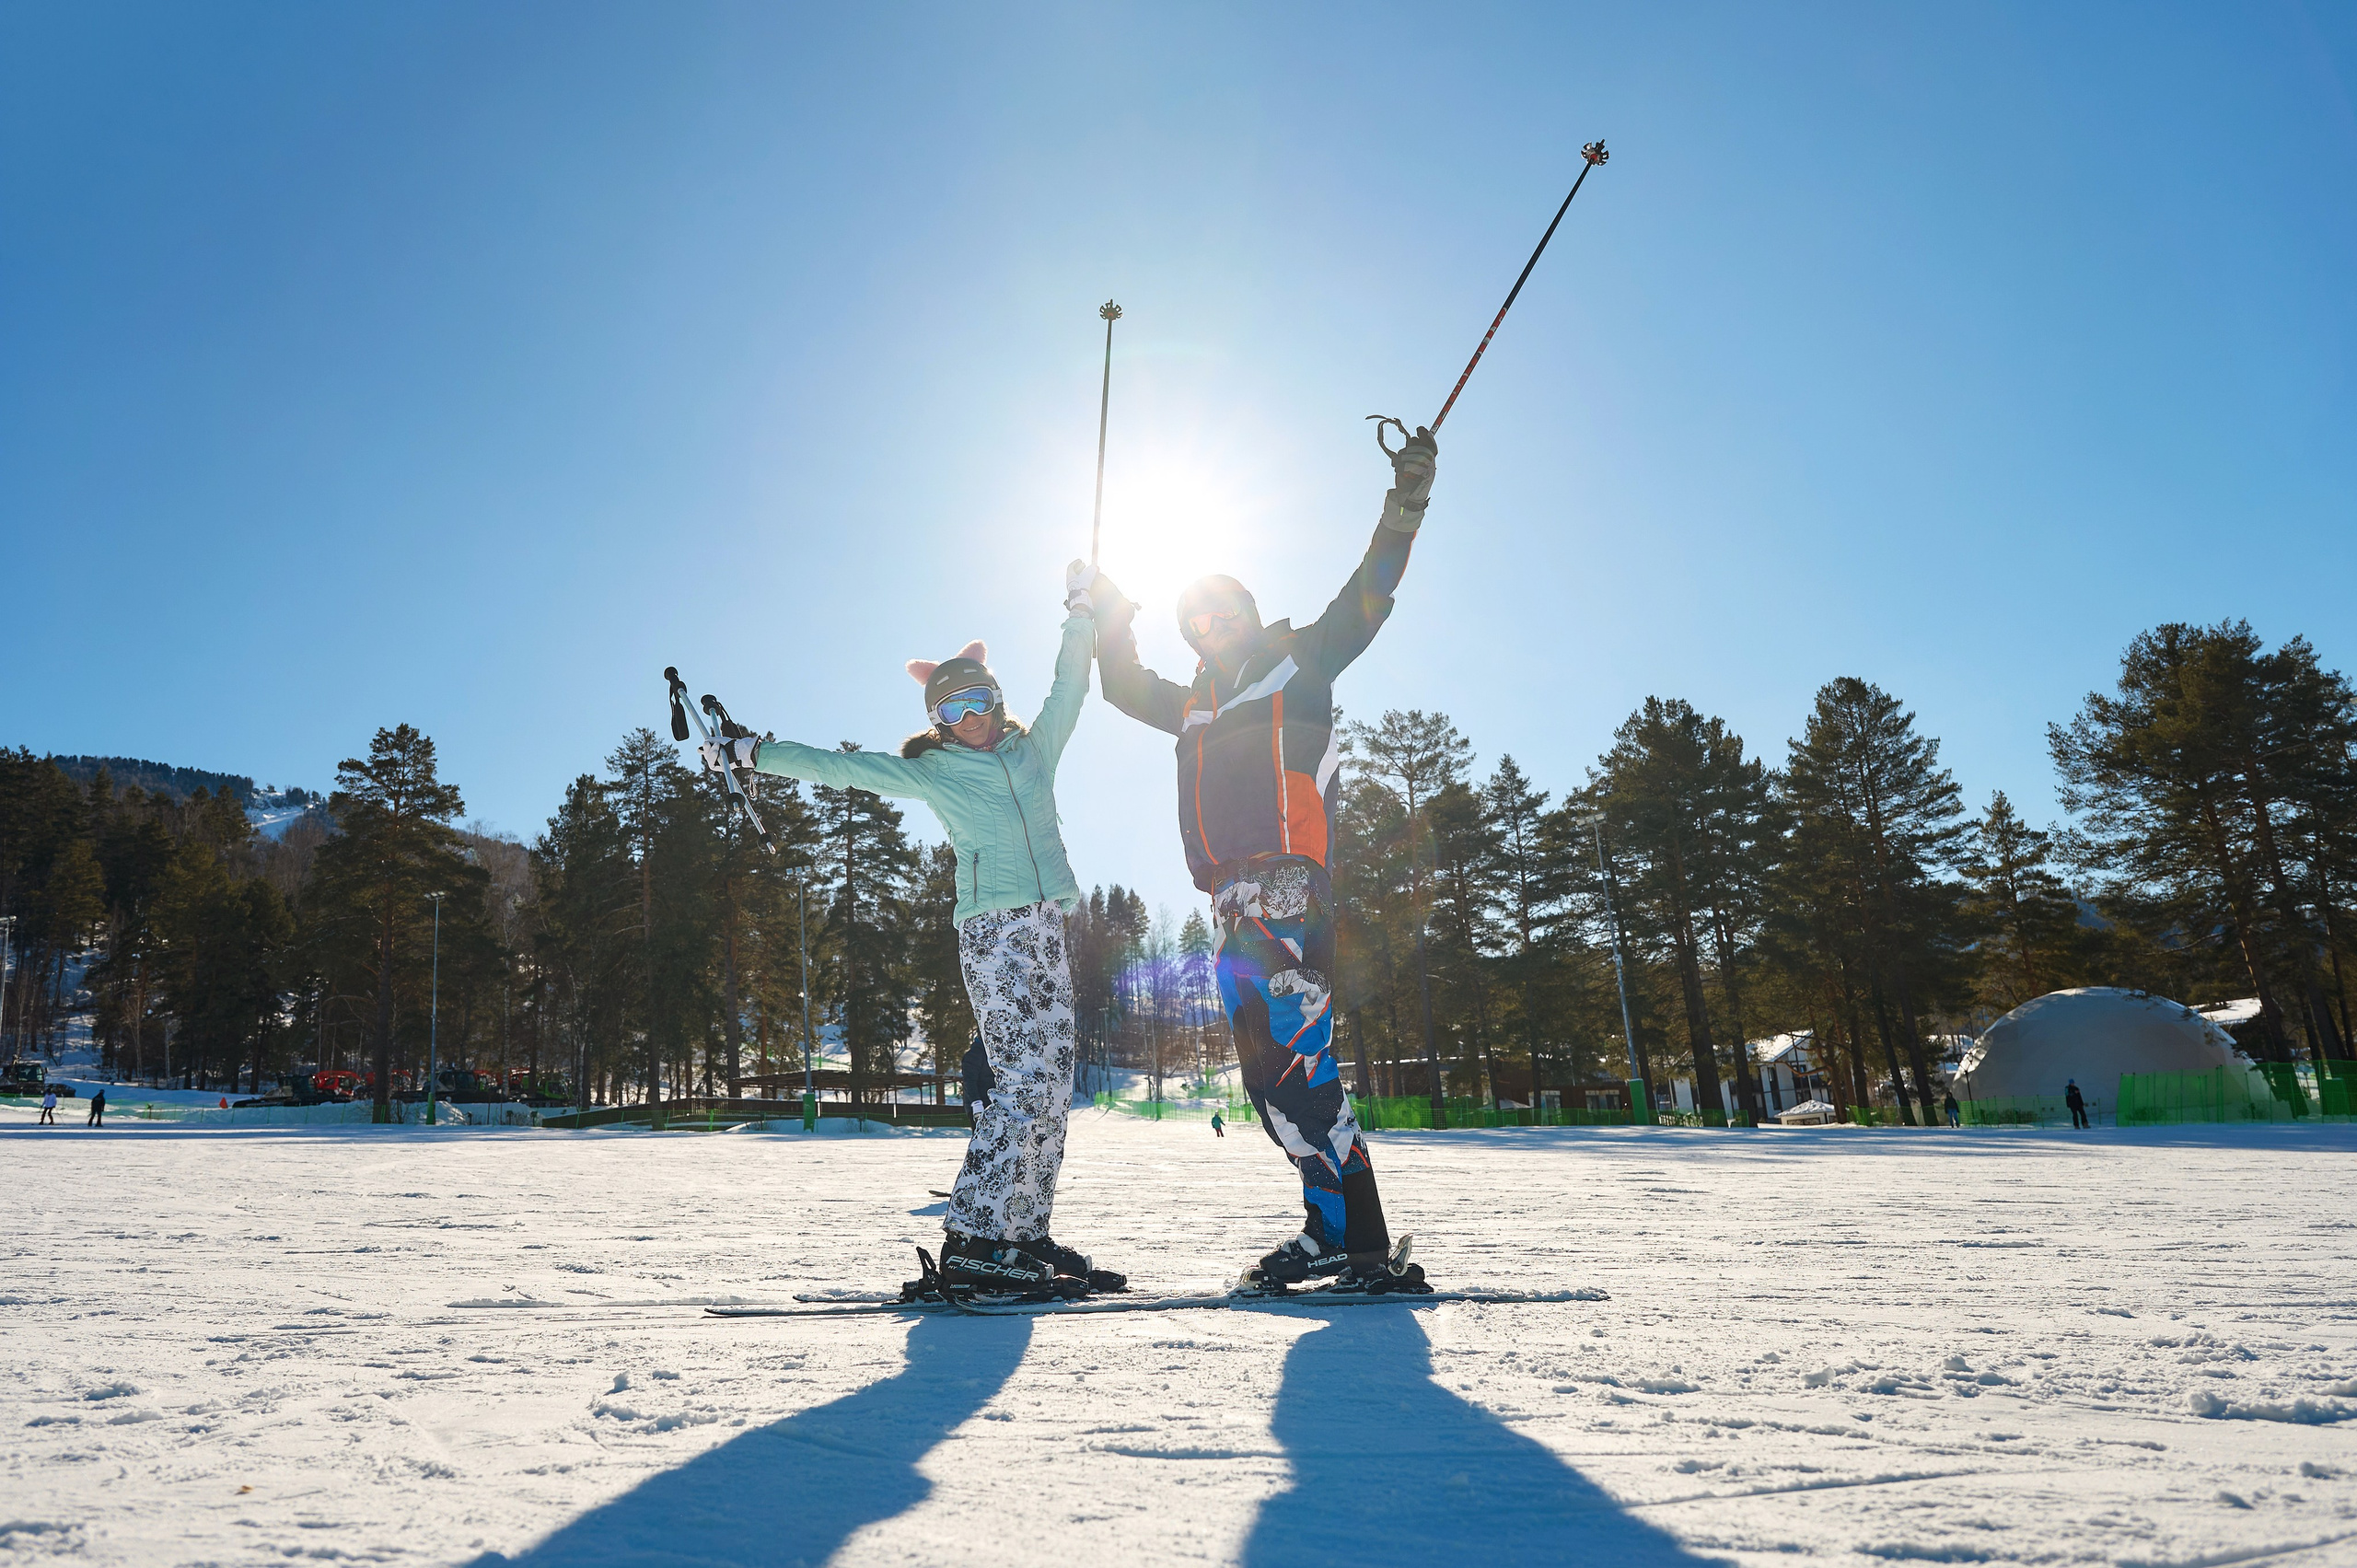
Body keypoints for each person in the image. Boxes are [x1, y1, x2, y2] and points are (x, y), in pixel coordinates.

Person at [1084, 423, 1439, 1295]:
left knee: (1298, 1052)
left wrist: (1406, 504)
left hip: (1288, 878)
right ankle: (1326, 1229)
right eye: (1195, 620)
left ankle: (1366, 1242)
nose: (1212, 627)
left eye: (1225, 610)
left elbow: (1372, 592)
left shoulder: (1300, 662)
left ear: (1248, 611)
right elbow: (1122, 684)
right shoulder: (1195, 703)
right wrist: (1107, 609)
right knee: (1264, 1076)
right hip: (1230, 898)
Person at [705, 571, 1120, 1299]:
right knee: (1023, 1082)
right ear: (938, 719)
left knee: (1055, 1088)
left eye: (980, 699)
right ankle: (971, 1236)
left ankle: (1023, 1231)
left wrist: (1081, 611)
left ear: (997, 698)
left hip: (1046, 927)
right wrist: (753, 753)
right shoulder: (936, 774)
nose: (972, 716)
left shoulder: (1033, 751)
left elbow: (1071, 684)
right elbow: (844, 770)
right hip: (992, 932)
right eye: (953, 707)